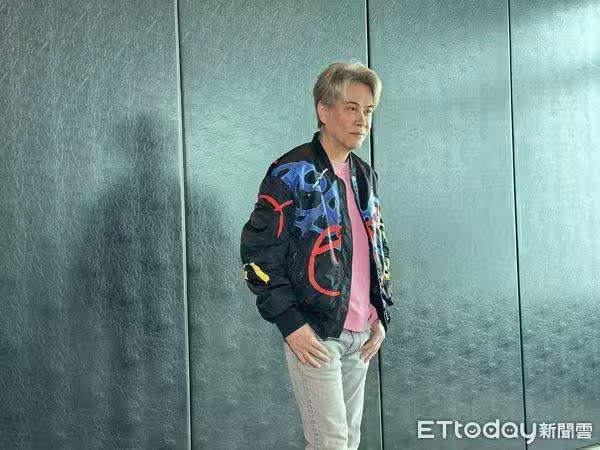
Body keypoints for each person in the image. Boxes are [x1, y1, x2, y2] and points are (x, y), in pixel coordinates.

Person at [240, 61, 394, 450]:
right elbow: (257, 258)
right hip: (316, 333)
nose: (362, 120)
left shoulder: (364, 175)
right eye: (351, 108)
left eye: (368, 110)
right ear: (324, 111)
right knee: (331, 444)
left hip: (361, 333)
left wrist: (380, 312)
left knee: (345, 443)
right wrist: (291, 324)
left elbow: (377, 245)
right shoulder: (291, 172)